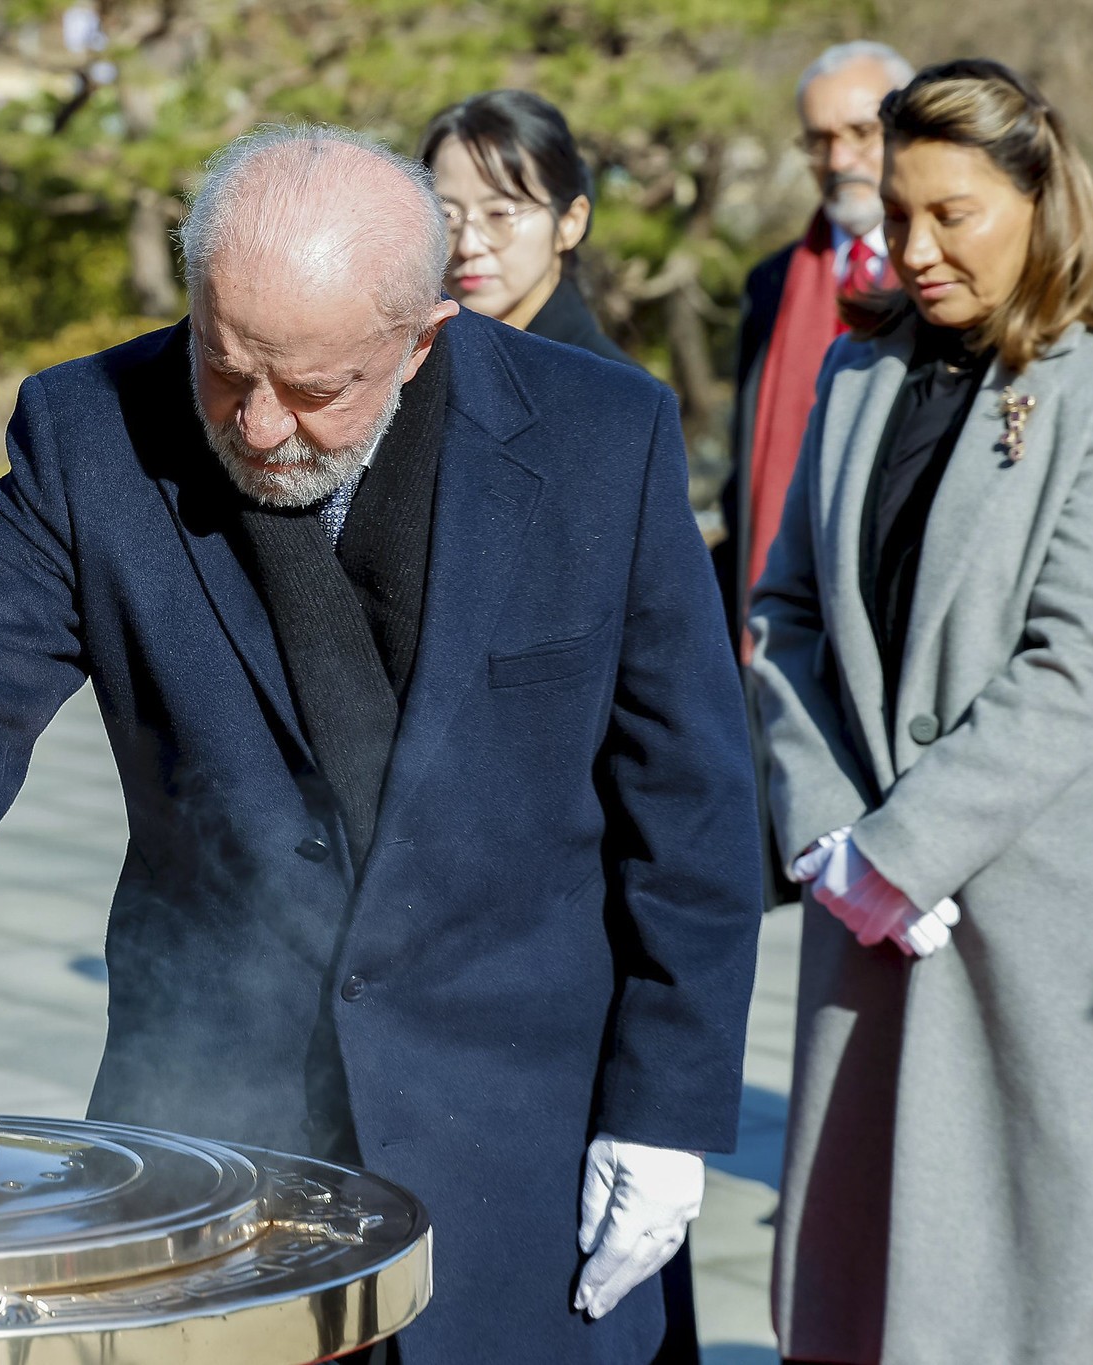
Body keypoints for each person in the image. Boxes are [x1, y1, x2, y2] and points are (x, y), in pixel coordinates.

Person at [0, 126, 765, 1364]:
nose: (253, 425)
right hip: (213, 1122)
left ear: (422, 333)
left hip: (524, 1116)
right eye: (222, 365)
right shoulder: (89, 428)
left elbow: (686, 798)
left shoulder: (596, 438)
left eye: (310, 391)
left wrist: (665, 1113)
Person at [749, 60, 1093, 1365]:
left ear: (1041, 200)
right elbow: (782, 615)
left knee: (1050, 1291)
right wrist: (835, 836)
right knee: (864, 1286)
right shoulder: (858, 374)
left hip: (1042, 917)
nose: (916, 246)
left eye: (955, 212)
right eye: (898, 213)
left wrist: (905, 850)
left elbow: (1083, 659)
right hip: (862, 908)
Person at [422, 87, 698, 1364]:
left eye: (506, 209)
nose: (472, 239)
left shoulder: (607, 408)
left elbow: (672, 751)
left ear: (570, 221)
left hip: (560, 931)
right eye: (446, 211)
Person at [720, 41, 914, 648]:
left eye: (862, 131)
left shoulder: (943, 275)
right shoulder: (771, 283)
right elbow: (745, 465)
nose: (840, 158)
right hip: (778, 608)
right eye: (819, 139)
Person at [419, 89, 642, 369]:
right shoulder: (410, 371)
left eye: (499, 213)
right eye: (447, 215)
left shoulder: (614, 395)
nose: (468, 245)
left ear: (569, 223)